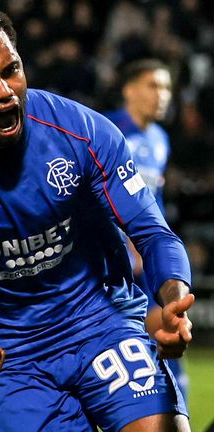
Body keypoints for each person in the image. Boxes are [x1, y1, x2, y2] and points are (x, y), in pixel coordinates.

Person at [0, 4, 194, 432]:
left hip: (98, 319)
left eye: (11, 70)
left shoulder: (82, 131)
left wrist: (173, 297)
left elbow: (153, 234)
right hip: (5, 353)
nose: (3, 90)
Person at [104, 58, 188, 400]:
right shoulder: (108, 131)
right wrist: (125, 243)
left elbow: (152, 199)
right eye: (154, 86)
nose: (162, 95)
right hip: (113, 256)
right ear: (129, 90)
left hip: (145, 255)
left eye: (167, 87)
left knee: (167, 328)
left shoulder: (160, 139)